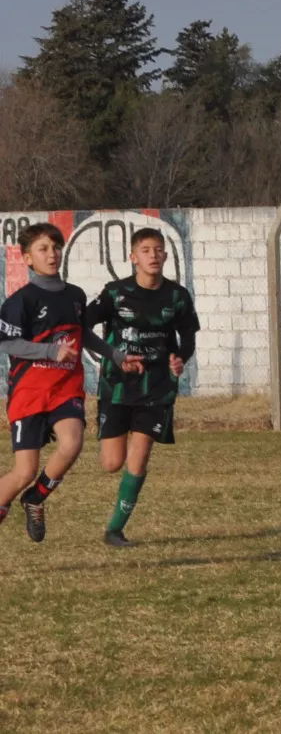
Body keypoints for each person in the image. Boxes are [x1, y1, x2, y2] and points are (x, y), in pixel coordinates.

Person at [0, 223, 142, 542]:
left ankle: (35, 498)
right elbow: (5, 343)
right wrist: (50, 350)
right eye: (43, 249)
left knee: (72, 443)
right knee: (23, 471)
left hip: (65, 387)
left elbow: (84, 335)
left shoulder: (75, 295)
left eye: (56, 247)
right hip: (29, 392)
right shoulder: (20, 301)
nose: (52, 254)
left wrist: (116, 356)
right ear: (27, 258)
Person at [86, 227, 200, 547]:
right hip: (118, 385)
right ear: (133, 257)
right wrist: (113, 354)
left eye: (158, 250)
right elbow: (84, 325)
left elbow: (187, 339)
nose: (153, 255)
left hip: (156, 386)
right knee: (111, 463)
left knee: (139, 457)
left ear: (165, 255)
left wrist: (180, 358)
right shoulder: (115, 293)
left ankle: (115, 530)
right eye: (146, 250)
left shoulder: (177, 296)